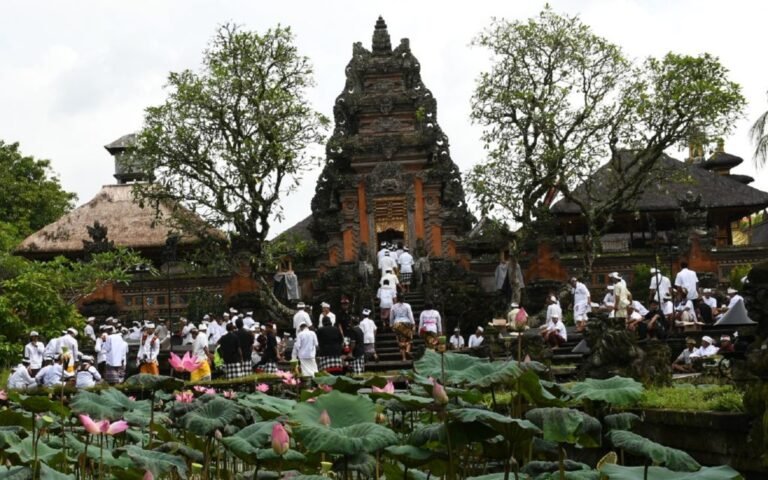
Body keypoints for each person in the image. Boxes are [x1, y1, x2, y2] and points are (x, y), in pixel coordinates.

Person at [390, 294, 415, 361]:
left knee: (401, 341)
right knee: (409, 339)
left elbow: (391, 316)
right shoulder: (407, 305)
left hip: (397, 324)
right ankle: (407, 350)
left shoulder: (393, 306)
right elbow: (410, 315)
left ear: (397, 299)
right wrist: (413, 324)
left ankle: (404, 358)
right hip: (406, 323)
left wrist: (391, 324)